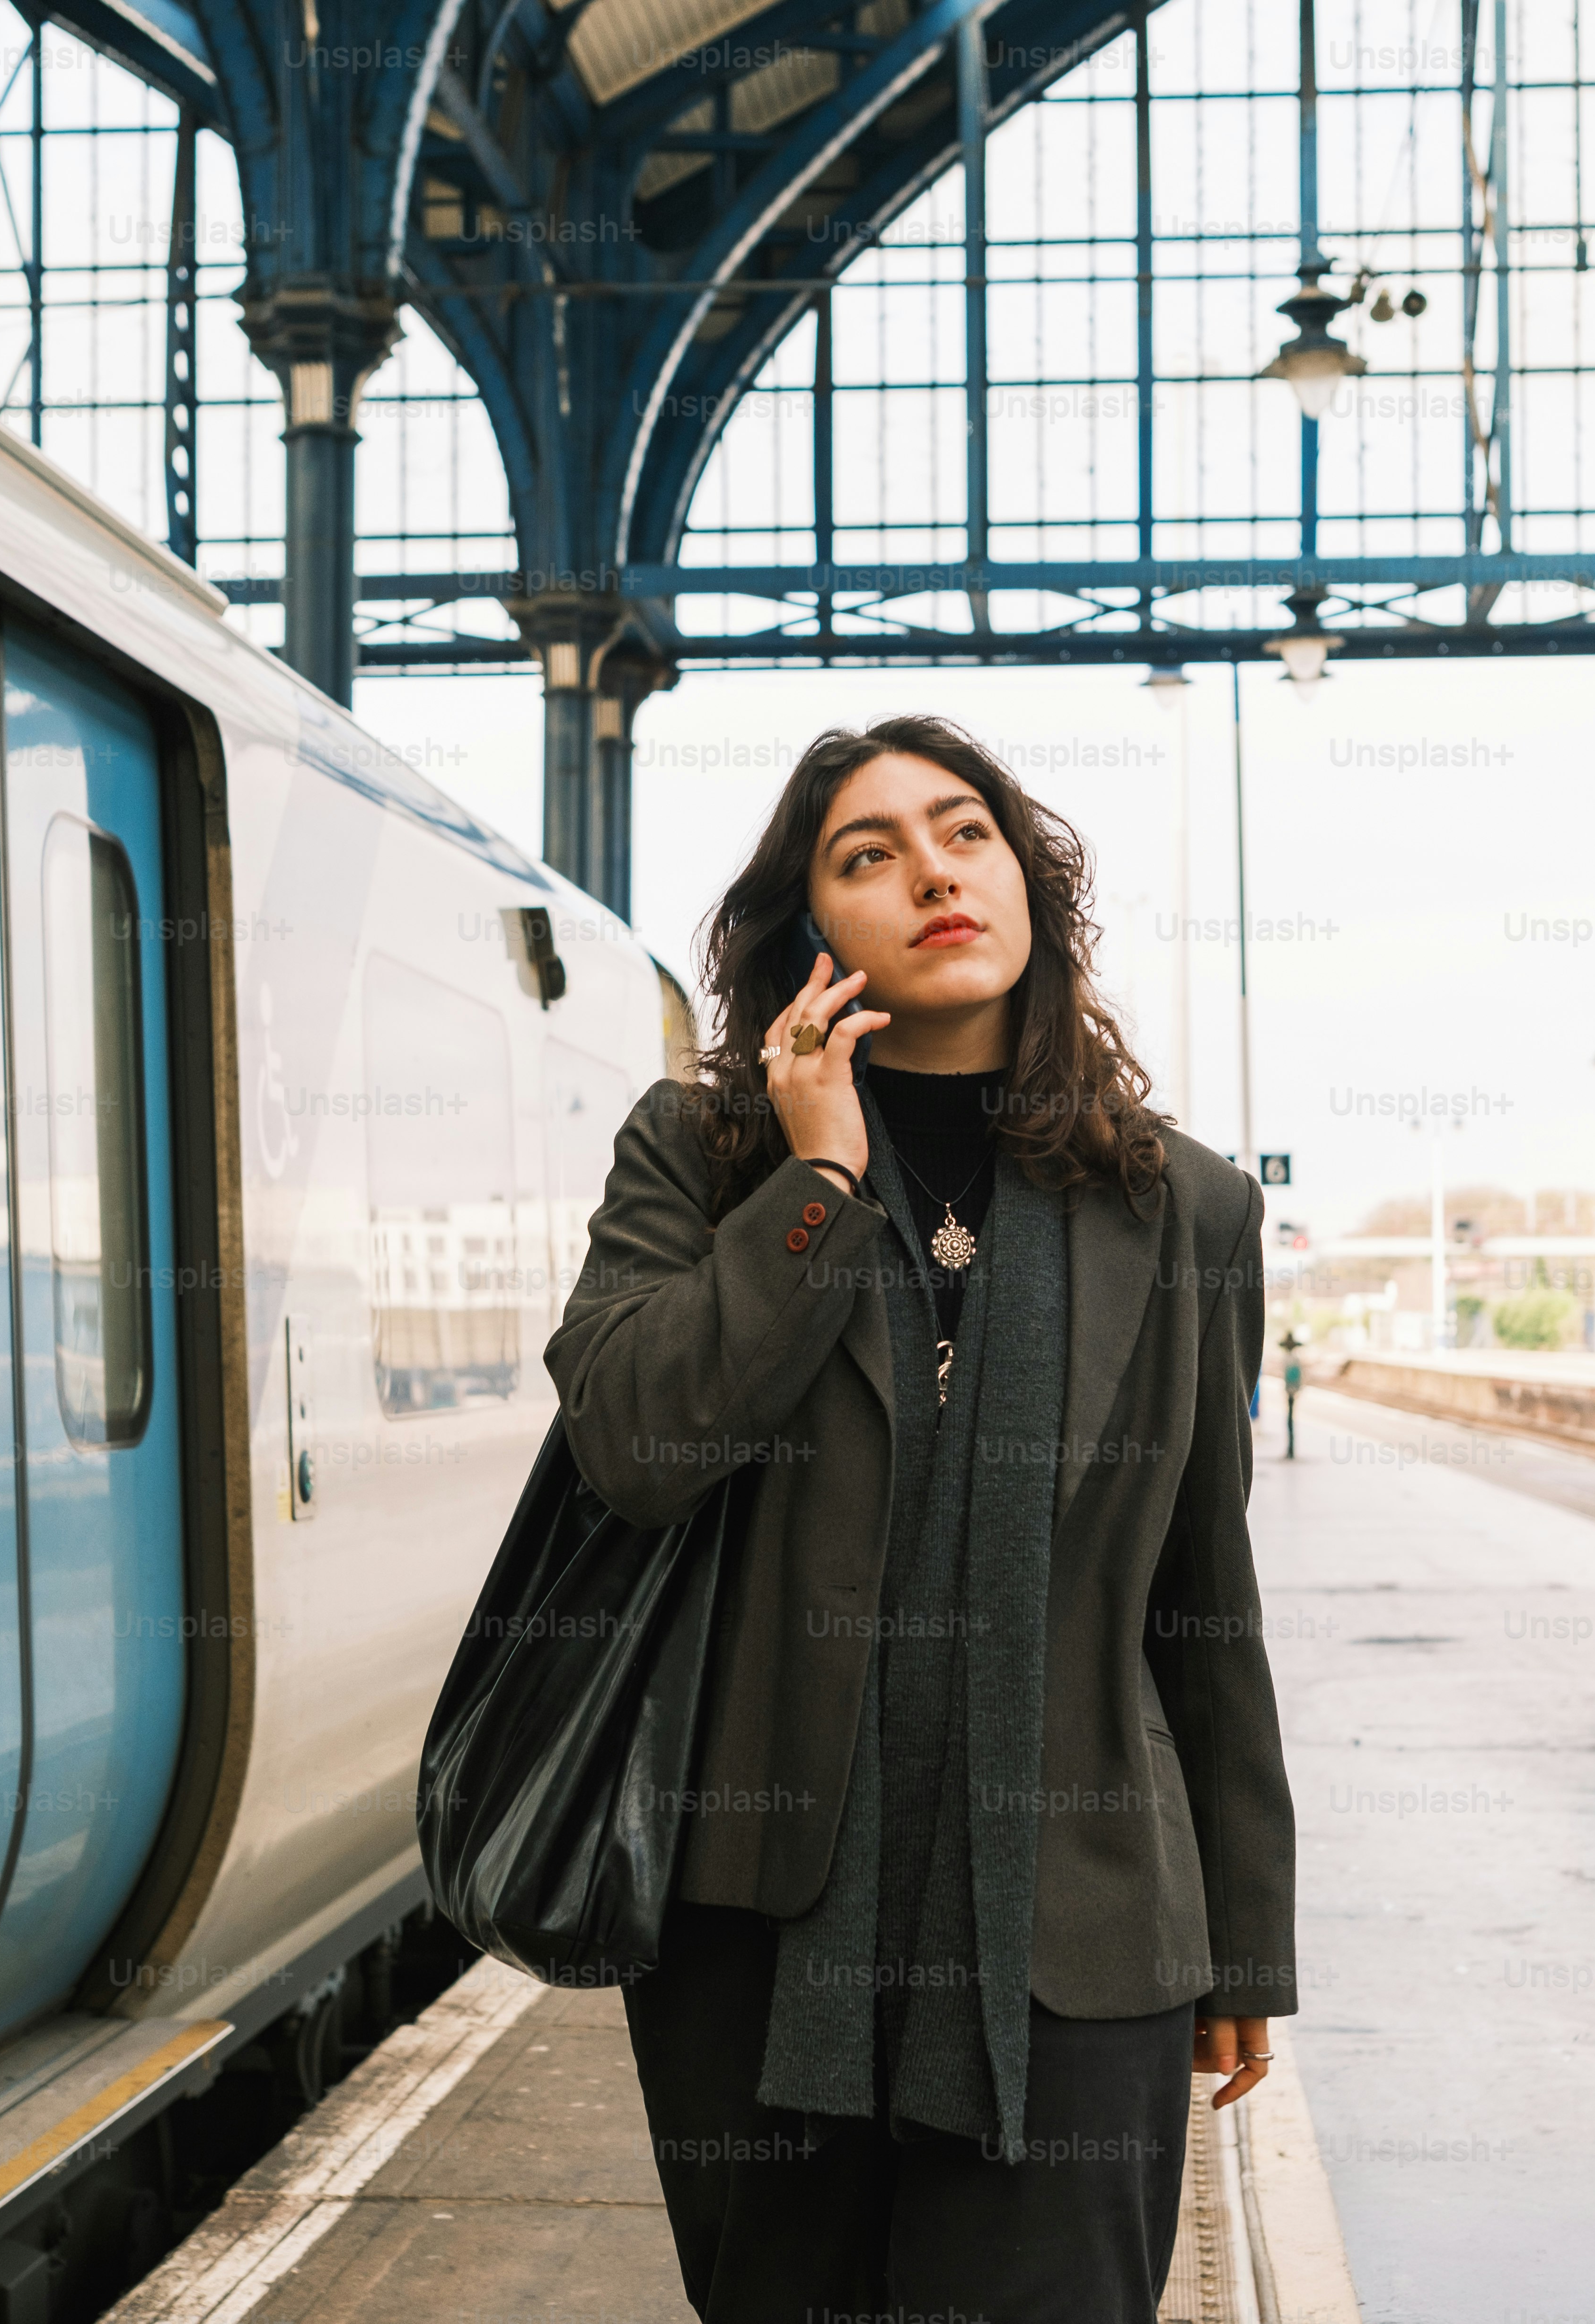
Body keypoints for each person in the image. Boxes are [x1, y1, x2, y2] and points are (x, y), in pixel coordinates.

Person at [547, 716, 1297, 2323]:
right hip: (758, 1919)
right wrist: (817, 1188)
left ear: (1028, 886)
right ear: (813, 930)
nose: (931, 872)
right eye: (867, 853)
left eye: (965, 833)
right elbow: (633, 1442)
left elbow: (1201, 1593)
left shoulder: (1185, 1206)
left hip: (1081, 1923)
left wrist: (1244, 1942)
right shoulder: (701, 1153)